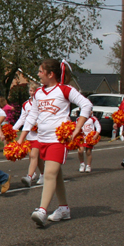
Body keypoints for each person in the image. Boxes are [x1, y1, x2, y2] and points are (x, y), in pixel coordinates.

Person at [18, 59, 92, 227]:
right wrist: (22, 137)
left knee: (50, 174)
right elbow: (32, 116)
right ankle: (64, 208)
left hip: (58, 140)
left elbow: (86, 104)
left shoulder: (65, 90)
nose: (38, 75)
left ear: (50, 74)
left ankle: (42, 210)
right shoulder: (38, 93)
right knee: (56, 175)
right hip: (42, 139)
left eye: (40, 71)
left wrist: (77, 128)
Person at [13, 82, 43, 186]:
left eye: (34, 91)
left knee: (33, 155)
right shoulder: (26, 104)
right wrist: (13, 129)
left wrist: (38, 125)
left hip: (39, 134)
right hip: (30, 134)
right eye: (30, 90)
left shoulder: (41, 103)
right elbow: (22, 118)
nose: (32, 93)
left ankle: (29, 177)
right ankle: (43, 174)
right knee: (35, 157)